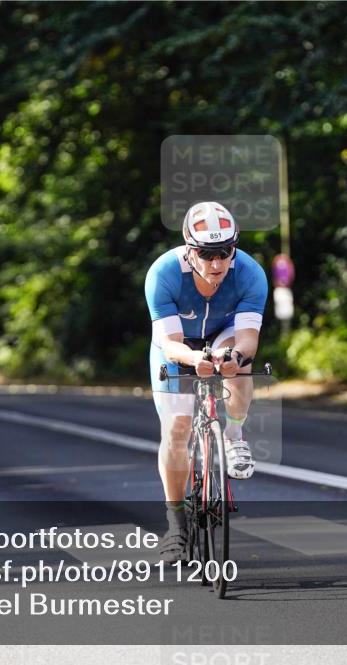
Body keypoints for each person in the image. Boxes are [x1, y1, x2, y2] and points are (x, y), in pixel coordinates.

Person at [144, 201, 268, 563]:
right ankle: (176, 525)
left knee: (237, 364)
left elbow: (247, 338)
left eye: (224, 253)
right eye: (206, 254)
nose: (216, 264)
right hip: (177, 343)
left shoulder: (249, 273)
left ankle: (233, 436)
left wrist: (233, 358)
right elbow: (168, 343)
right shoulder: (164, 273)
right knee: (178, 428)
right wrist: (194, 359)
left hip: (223, 334)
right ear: (188, 249)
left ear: (235, 248)